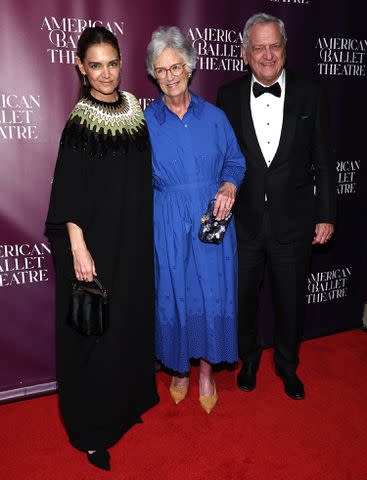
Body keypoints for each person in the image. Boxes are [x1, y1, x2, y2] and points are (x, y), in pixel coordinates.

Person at [46, 27, 159, 470]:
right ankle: (92, 430)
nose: (106, 73)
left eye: (112, 63)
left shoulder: (134, 108)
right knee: (93, 334)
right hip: (92, 243)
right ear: (81, 67)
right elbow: (70, 189)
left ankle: (124, 406)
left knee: (126, 323)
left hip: (130, 238)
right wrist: (78, 246)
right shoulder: (80, 119)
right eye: (96, 65)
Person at [217, 13, 335, 400]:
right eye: (259, 47)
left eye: (275, 46)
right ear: (245, 54)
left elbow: (323, 158)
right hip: (244, 223)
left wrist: (325, 214)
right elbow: (222, 160)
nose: (267, 55)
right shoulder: (228, 96)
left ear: (285, 49)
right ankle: (248, 359)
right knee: (244, 299)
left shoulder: (310, 92)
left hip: (295, 222)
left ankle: (287, 364)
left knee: (291, 302)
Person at [144, 27, 245, 414]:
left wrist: (229, 186)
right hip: (167, 224)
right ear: (153, 75)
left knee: (211, 296)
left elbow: (235, 160)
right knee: (175, 295)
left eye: (176, 66)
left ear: (189, 66)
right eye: (161, 69)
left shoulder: (216, 118)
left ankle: (206, 371)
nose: (170, 76)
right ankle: (179, 371)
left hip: (212, 224)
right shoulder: (146, 122)